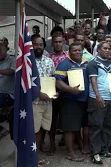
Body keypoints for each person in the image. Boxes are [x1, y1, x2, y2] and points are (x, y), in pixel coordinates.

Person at [54, 43, 90, 162]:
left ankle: (81, 145)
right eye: (74, 50)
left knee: (81, 125)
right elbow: (58, 82)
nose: (77, 52)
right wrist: (71, 90)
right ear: (69, 52)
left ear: (82, 51)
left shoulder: (87, 62)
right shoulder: (64, 64)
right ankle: (70, 153)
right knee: (69, 128)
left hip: (85, 99)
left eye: (79, 50)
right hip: (70, 100)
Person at [87, 42, 111, 164]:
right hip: (97, 98)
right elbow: (93, 81)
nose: (107, 50)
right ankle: (95, 153)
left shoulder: (110, 63)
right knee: (96, 126)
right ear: (98, 50)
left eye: (109, 49)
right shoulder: (93, 63)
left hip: (110, 98)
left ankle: (104, 149)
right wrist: (98, 96)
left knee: (108, 126)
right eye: (104, 48)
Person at [32, 36, 56, 165]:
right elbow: (25, 84)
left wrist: (55, 92)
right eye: (35, 44)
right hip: (34, 102)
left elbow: (52, 79)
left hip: (48, 102)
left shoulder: (49, 61)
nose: (38, 47)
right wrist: (38, 93)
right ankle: (34, 157)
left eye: (40, 44)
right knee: (34, 130)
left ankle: (37, 151)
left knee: (42, 129)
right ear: (31, 46)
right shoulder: (28, 63)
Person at [0, 43, 15, 139]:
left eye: (1, 50)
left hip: (8, 94)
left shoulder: (12, 60)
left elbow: (12, 71)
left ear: (6, 50)